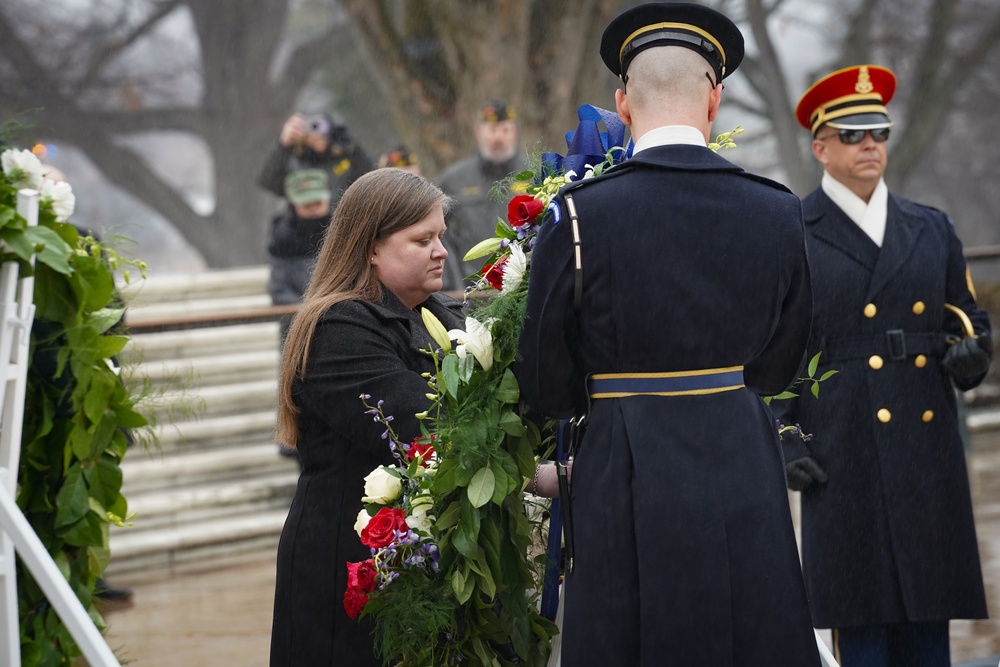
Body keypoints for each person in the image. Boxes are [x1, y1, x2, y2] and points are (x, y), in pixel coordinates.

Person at [516, 3, 821, 665]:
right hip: (740, 453)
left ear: (622, 103)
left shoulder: (575, 217)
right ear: (715, 100)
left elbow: (545, 381)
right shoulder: (779, 212)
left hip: (622, 462)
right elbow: (780, 365)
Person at [778, 64, 991, 666]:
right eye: (852, 134)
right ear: (820, 148)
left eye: (879, 132)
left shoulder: (931, 228)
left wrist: (971, 360)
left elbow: (967, 323)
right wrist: (787, 435)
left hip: (926, 463)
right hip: (843, 458)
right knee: (861, 643)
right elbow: (776, 353)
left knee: (928, 641)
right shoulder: (794, 232)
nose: (870, 144)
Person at [269, 168, 464, 667]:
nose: (442, 250)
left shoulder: (437, 313)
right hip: (346, 567)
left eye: (441, 235)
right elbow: (419, 421)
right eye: (423, 239)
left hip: (406, 563)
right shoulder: (340, 326)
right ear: (371, 247)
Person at [437, 100, 527, 290]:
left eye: (505, 130)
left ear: (515, 133)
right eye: (492, 130)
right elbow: (435, 232)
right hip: (468, 293)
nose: (498, 138)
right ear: (479, 132)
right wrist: (450, 281)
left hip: (524, 290)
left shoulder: (534, 174)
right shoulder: (454, 180)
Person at [266, 168, 333, 341]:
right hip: (298, 328)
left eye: (317, 203)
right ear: (294, 206)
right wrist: (311, 310)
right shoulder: (283, 238)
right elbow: (278, 288)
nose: (314, 210)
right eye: (307, 205)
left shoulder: (341, 231)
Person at [257, 112, 374, 203]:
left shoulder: (345, 157)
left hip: (339, 223)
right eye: (310, 126)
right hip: (303, 229)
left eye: (320, 126)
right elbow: (269, 182)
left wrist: (352, 146)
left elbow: (370, 179)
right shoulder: (294, 161)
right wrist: (283, 146)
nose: (317, 134)